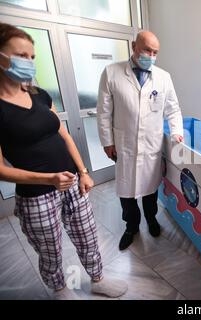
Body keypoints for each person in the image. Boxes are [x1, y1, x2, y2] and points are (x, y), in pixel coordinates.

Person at [0, 23, 127, 299]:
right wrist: (48, 179)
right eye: (21, 56)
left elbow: (65, 135)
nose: (29, 63)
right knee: (50, 248)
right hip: (36, 196)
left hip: (72, 183)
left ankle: (98, 279)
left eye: (32, 57)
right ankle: (59, 289)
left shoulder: (39, 94)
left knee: (87, 235)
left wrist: (83, 171)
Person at [97, 31, 183, 251]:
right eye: (147, 50)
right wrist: (107, 141)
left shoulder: (163, 77)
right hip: (124, 146)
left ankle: (152, 220)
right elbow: (104, 112)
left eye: (155, 52)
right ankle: (131, 227)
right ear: (134, 46)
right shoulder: (111, 72)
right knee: (127, 192)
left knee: (150, 190)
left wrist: (176, 132)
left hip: (151, 146)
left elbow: (173, 109)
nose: (151, 56)